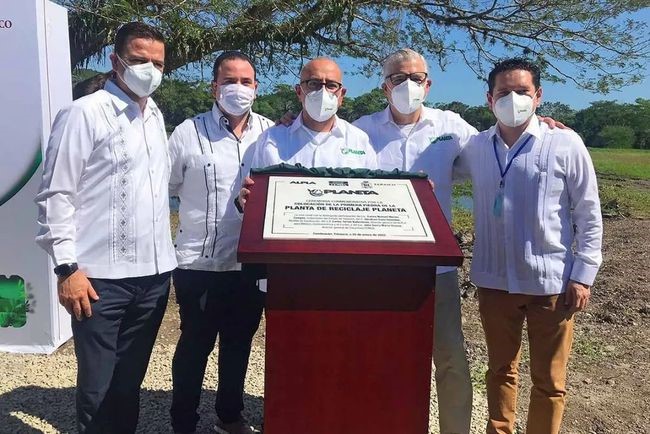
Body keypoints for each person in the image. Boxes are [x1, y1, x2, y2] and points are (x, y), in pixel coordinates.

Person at [35, 22, 176, 433]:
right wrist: (67, 268)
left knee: (128, 384)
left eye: (157, 63)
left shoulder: (154, 115)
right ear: (115, 61)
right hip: (98, 280)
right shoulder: (83, 113)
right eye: (138, 60)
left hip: (153, 278)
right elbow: (55, 194)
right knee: (97, 388)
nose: (149, 69)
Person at [455, 58, 602, 434]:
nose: (513, 99)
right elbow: (436, 163)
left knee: (550, 381)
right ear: (490, 99)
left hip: (550, 282)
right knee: (500, 370)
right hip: (494, 281)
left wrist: (583, 275)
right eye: (504, 92)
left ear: (538, 96)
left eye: (522, 91)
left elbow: (588, 213)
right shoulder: (476, 146)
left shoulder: (565, 143)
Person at [353, 48, 476, 434]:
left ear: (428, 83)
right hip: (379, 268)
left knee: (450, 356)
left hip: (436, 268)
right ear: (384, 86)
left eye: (416, 77)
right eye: (398, 78)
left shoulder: (451, 127)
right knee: (380, 354)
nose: (408, 84)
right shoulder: (360, 131)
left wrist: (540, 128)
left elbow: (493, 154)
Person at [167, 51, 273, 434]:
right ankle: (183, 421)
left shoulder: (271, 134)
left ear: (256, 88)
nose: (237, 88)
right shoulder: (188, 132)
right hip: (199, 262)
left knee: (239, 343)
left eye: (245, 81)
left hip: (250, 263)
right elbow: (164, 187)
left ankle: (229, 416)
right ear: (214, 87)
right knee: (195, 345)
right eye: (229, 81)